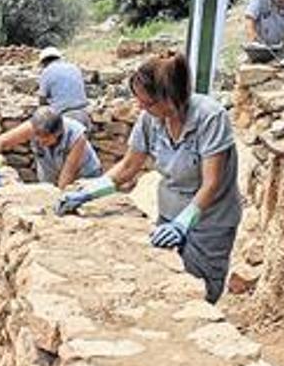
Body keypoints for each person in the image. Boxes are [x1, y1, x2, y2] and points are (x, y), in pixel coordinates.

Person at [55, 52, 241, 304]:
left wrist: (183, 224)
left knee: (202, 290)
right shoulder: (150, 120)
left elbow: (212, 182)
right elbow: (128, 167)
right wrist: (88, 193)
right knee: (166, 283)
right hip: (170, 211)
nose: (141, 108)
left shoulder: (211, 118)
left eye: (148, 102)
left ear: (171, 97)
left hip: (210, 220)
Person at [0, 107, 102, 193]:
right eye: (37, 136)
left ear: (58, 133)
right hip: (50, 176)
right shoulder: (33, 127)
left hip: (84, 176)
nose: (39, 141)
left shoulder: (76, 137)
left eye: (45, 139)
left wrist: (54, 198)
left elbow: (66, 177)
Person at [37, 46, 91, 129]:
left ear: (44, 62)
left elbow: (42, 100)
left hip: (66, 116)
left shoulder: (47, 71)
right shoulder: (74, 67)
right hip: (84, 113)